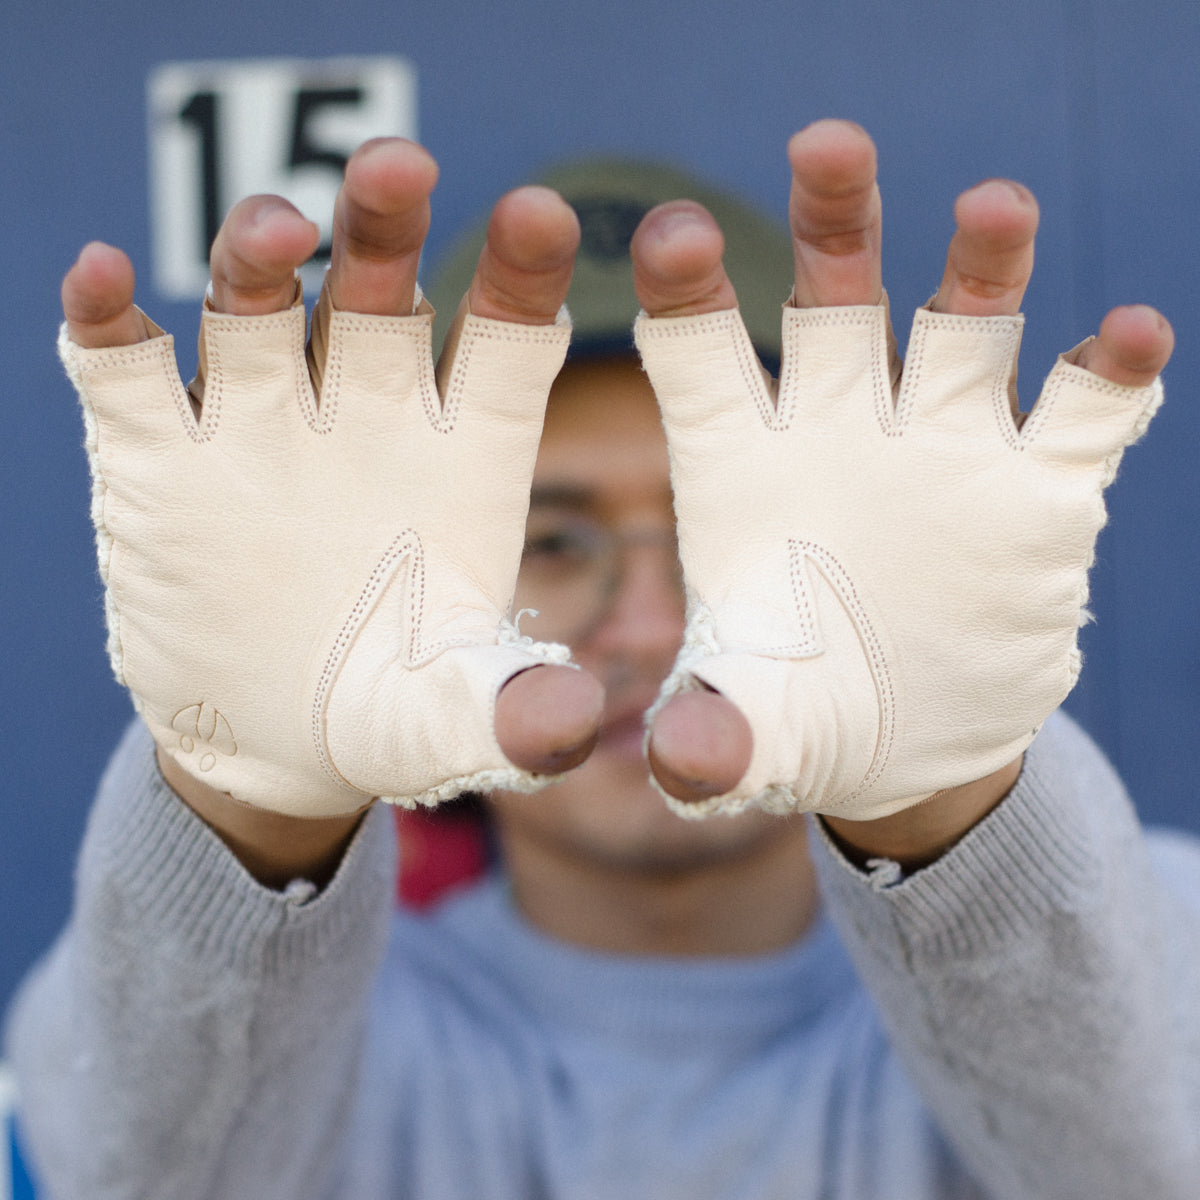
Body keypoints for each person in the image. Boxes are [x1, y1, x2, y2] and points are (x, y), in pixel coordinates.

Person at [6, 120, 1199, 1198]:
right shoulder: (333, 1045)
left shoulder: (1156, 940)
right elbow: (123, 1169)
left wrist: (939, 782)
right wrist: (248, 790)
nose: (642, 625)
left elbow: (1143, 1150)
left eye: (705, 534)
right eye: (555, 539)